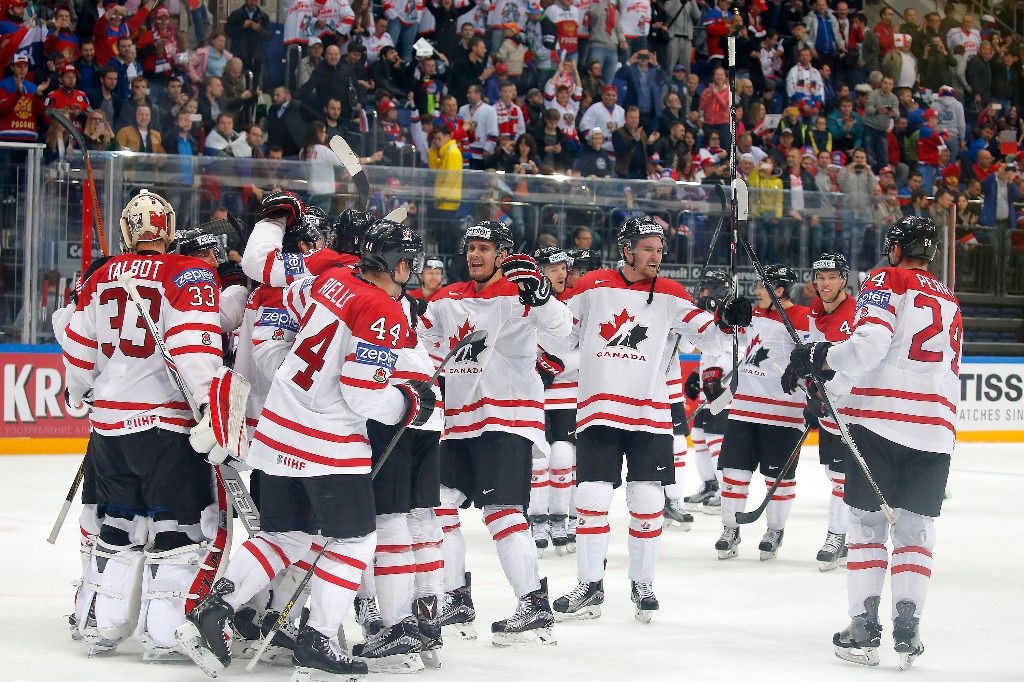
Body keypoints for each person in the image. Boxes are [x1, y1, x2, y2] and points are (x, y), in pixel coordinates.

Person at [179, 194, 434, 680]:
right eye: (407, 263)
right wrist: (407, 402)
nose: (410, 271)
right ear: (395, 264)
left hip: (276, 432)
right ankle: (317, 642)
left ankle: (215, 607)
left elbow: (295, 298)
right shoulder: (384, 308)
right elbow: (361, 394)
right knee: (355, 541)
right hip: (328, 444)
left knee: (284, 535)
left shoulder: (332, 279)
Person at [552, 217, 751, 623]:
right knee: (590, 501)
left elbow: (709, 337)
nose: (656, 256)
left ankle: (642, 583)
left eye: (660, 249)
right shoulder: (592, 285)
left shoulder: (672, 294)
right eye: (647, 248)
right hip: (599, 412)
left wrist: (728, 319)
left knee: (646, 502)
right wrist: (542, 304)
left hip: (649, 413)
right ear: (627, 249)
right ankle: (590, 584)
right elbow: (560, 336)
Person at [786, 216, 960, 671]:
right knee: (915, 532)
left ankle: (864, 629)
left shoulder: (888, 278)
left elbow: (867, 349)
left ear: (898, 248)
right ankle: (909, 626)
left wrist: (820, 356)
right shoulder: (950, 299)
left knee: (866, 528)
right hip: (937, 430)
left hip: (881, 423)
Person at [62, 189, 224, 660]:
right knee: (176, 531)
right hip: (166, 426)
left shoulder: (100, 276)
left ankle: (105, 627)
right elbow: (194, 349)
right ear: (169, 230)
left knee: (118, 525)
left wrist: (77, 393)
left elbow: (77, 345)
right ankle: (163, 633)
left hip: (109, 426)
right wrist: (209, 411)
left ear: (127, 231)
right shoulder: (188, 272)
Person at [420, 221, 572, 646]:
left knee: (502, 514)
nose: (474, 255)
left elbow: (563, 333)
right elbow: (422, 346)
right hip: (459, 423)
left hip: (506, 420)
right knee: (440, 507)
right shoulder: (447, 298)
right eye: (470, 247)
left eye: (484, 247)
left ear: (503, 253)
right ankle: (455, 597)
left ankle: (533, 605)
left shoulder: (523, 297)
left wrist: (542, 295)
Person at [715, 263, 809, 562]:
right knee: (733, 474)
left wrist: (805, 371)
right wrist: (727, 314)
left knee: (776, 479)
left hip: (784, 414)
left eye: (761, 286)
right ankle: (731, 528)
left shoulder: (804, 319)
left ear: (778, 290)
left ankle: (775, 529)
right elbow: (724, 337)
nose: (756, 291)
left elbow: (819, 357)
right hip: (744, 409)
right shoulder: (752, 316)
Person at [785, 252, 856, 571]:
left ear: (844, 278)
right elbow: (814, 354)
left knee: (842, 477)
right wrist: (801, 373)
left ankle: (837, 536)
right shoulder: (815, 309)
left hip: (852, 409)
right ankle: (852, 531)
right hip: (829, 408)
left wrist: (831, 394)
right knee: (833, 473)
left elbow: (857, 364)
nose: (825, 283)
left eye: (832, 277)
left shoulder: (855, 313)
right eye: (820, 277)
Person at [528, 246, 578, 555]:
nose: (561, 273)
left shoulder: (574, 304)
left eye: (564, 268)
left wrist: (556, 364)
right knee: (538, 461)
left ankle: (561, 518)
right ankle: (535, 518)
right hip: (532, 397)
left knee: (561, 459)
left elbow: (591, 349)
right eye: (554, 268)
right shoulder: (525, 304)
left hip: (567, 398)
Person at [679, 269, 735, 515]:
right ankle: (710, 484)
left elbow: (739, 350)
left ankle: (726, 491)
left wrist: (716, 371)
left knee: (715, 440)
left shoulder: (733, 313)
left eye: (705, 289)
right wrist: (698, 375)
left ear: (717, 292)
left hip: (724, 390)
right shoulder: (708, 314)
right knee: (700, 437)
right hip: (709, 387)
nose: (701, 294)